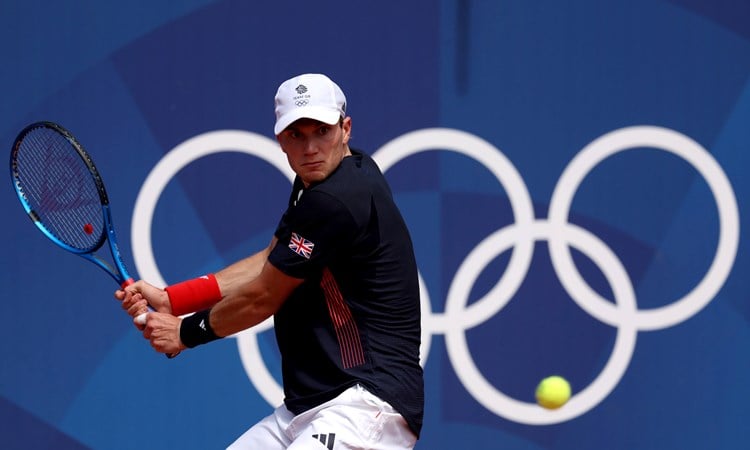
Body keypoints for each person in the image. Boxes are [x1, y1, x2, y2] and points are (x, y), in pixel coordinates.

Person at [116, 73, 424, 449]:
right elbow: (270, 260)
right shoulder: (323, 180)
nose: (311, 147)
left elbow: (263, 295)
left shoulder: (337, 198)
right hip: (309, 406)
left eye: (322, 132)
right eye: (297, 135)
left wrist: (183, 333)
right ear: (280, 140)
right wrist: (174, 299)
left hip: (364, 405)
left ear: (345, 129)